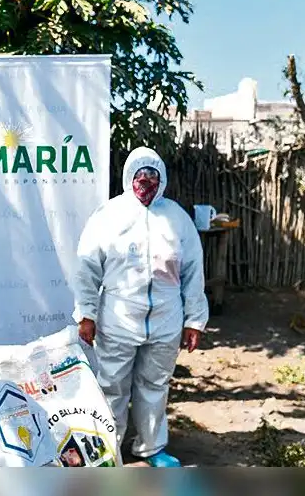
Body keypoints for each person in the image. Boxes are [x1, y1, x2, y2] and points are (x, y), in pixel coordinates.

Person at [71, 146, 208, 467]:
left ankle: (151, 448)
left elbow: (193, 273)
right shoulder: (108, 216)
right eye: (139, 175)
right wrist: (86, 315)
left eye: (152, 176)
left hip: (166, 321)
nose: (145, 182)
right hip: (117, 320)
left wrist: (194, 321)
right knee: (111, 389)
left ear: (162, 180)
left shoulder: (177, 219)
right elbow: (87, 268)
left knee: (155, 387)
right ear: (128, 177)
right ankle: (108, 451)